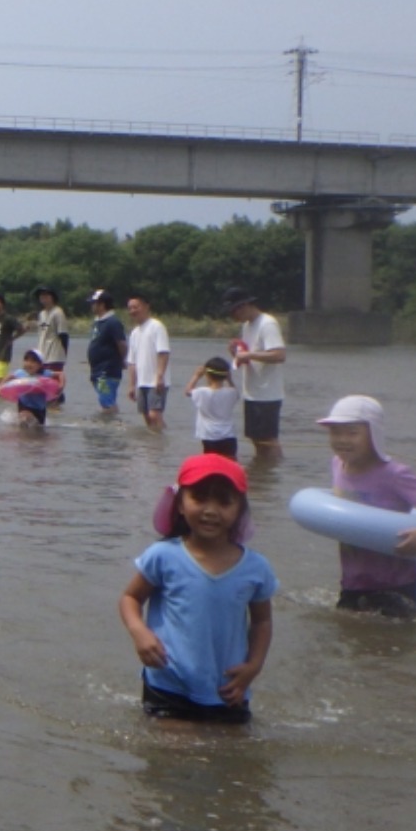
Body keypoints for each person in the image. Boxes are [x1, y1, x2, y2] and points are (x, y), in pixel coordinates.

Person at [118, 453, 276, 724]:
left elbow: (262, 621)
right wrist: (139, 633)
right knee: (173, 754)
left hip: (229, 687)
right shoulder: (164, 556)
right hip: (168, 681)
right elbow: (130, 598)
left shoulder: (256, 568)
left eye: (224, 502)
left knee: (232, 759)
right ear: (180, 503)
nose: (211, 510)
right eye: (199, 498)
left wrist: (253, 667)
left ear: (240, 509)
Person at [316, 394, 416, 617]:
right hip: (353, 578)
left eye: (352, 432)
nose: (342, 439)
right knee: (350, 634)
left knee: (397, 643)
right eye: (335, 432)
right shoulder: (338, 464)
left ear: (374, 433)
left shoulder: (393, 474)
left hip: (396, 580)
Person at [223, 287, 287, 457]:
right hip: (251, 391)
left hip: (268, 393)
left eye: (235, 311)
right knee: (255, 438)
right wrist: (236, 353)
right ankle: (261, 474)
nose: (234, 317)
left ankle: (272, 471)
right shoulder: (247, 326)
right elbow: (247, 356)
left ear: (244, 306)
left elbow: (279, 354)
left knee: (268, 439)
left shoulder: (267, 323)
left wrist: (249, 354)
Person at [125, 294, 172, 431]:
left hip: (156, 381)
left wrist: (159, 376)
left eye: (136, 307)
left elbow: (163, 352)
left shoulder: (156, 326)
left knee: (154, 414)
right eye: (130, 308)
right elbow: (132, 362)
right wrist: (132, 385)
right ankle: (152, 446)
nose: (133, 311)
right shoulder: (134, 333)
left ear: (146, 306)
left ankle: (162, 440)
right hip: (142, 382)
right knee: (146, 416)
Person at [186, 357, 241, 458]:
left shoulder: (201, 392)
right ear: (225, 375)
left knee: (212, 464)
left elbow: (188, 391)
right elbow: (236, 392)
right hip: (228, 435)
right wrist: (230, 379)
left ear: (207, 375)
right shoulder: (231, 392)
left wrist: (196, 376)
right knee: (230, 463)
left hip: (209, 435)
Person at [83, 289, 127, 412]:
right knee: (104, 400)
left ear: (102, 304)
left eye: (93, 303)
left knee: (107, 401)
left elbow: (122, 344)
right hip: (97, 369)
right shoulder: (98, 322)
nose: (91, 306)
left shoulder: (113, 322)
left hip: (107, 370)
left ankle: (112, 426)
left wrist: (121, 360)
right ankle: (107, 425)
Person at [4, 349, 61, 427]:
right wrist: (0, 387)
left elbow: (60, 374)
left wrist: (61, 386)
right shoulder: (21, 373)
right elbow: (9, 377)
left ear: (40, 364)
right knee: (24, 420)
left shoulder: (45, 374)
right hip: (24, 404)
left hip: (39, 407)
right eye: (26, 360)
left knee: (38, 428)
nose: (29, 364)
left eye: (33, 361)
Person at [30, 286, 68, 397]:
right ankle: (51, 408)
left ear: (53, 297)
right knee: (43, 384)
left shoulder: (58, 312)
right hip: (43, 354)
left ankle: (57, 404)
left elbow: (63, 334)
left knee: (54, 384)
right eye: (41, 296)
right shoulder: (42, 314)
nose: (43, 298)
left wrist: (63, 353)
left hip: (55, 354)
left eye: (46, 296)